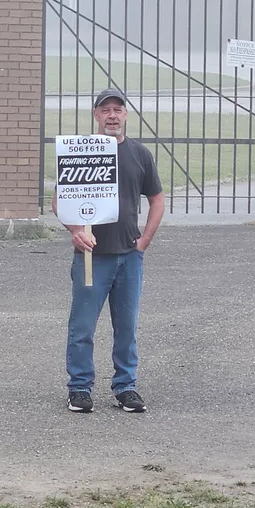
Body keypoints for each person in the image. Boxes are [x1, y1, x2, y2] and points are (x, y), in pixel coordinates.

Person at [54, 88, 165, 413]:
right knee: (83, 327)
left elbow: (157, 199)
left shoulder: (140, 154)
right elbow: (58, 201)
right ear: (96, 115)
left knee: (126, 326)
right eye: (106, 110)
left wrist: (144, 241)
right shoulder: (82, 151)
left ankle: (126, 386)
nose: (112, 115)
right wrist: (75, 231)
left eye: (118, 109)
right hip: (92, 257)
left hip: (129, 256)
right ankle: (79, 388)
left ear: (126, 115)